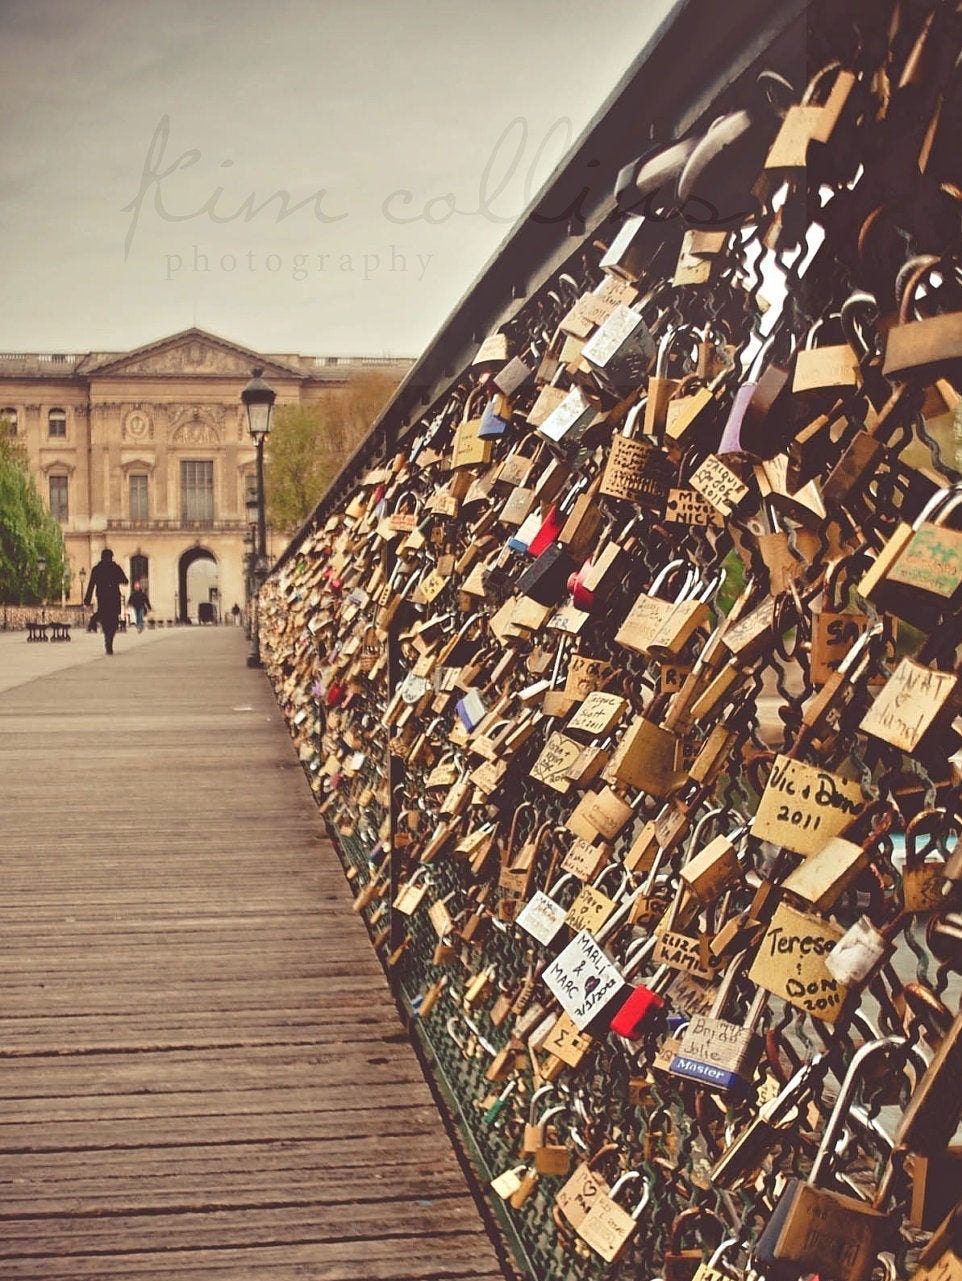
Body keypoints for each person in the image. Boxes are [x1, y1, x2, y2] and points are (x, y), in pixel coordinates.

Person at [83, 549, 128, 655]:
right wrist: (116, 580)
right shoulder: (115, 568)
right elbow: (125, 581)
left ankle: (106, 638)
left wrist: (87, 600)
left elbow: (91, 585)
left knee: (104, 618)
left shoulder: (97, 569)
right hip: (113, 597)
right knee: (113, 621)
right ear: (111, 557)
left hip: (102, 597)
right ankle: (109, 641)